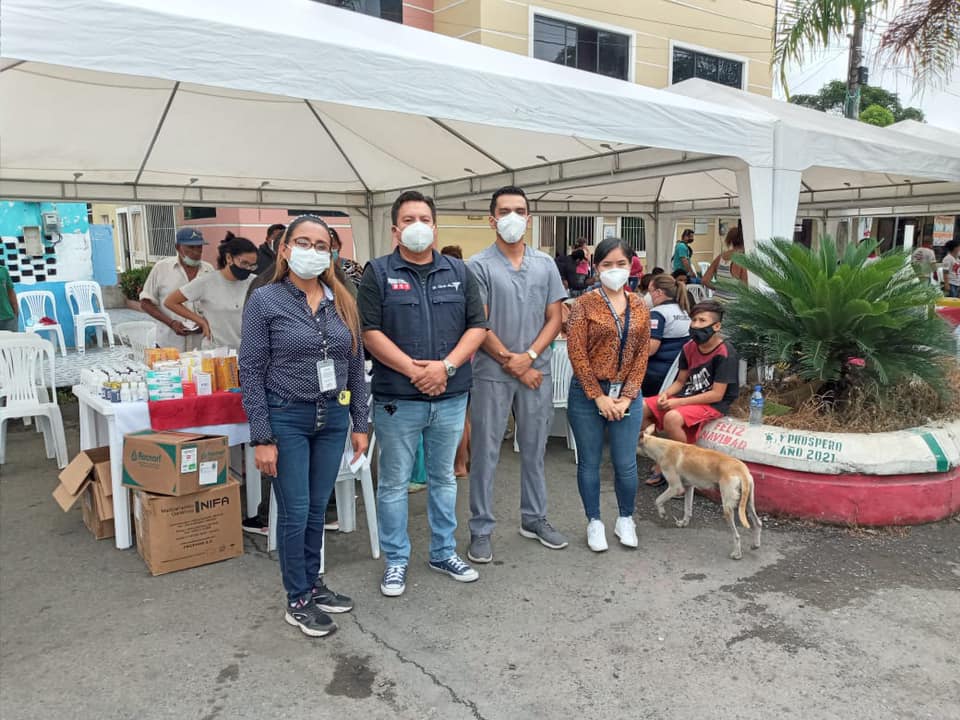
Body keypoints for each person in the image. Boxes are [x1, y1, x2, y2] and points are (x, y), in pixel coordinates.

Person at [239, 215, 368, 638]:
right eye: (304, 243)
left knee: (315, 509)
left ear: (331, 253)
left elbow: (354, 367)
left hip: (332, 419)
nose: (313, 251)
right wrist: (262, 436)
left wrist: (360, 422)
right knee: (294, 512)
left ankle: (313, 584)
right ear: (285, 249)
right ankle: (296, 599)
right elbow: (250, 370)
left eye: (321, 245)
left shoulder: (342, 300)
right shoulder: (265, 300)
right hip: (286, 417)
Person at [358, 190, 487, 597]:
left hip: (450, 395)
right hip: (398, 399)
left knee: (444, 478)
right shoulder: (377, 273)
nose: (418, 226)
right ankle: (396, 560)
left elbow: (477, 326)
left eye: (425, 219)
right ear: (395, 230)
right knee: (393, 483)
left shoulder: (459, 271)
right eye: (409, 220)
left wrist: (445, 368)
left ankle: (443, 552)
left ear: (435, 226)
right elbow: (369, 332)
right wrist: (415, 371)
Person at [466, 186, 568, 564]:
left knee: (534, 449)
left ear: (529, 218)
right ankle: (480, 528)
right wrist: (513, 362)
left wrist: (530, 357)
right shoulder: (478, 266)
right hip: (492, 372)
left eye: (520, 211)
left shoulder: (545, 264)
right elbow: (479, 323)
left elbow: (555, 317)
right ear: (492, 219)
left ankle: (534, 517)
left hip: (535, 370)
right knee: (486, 453)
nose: (513, 217)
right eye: (505, 211)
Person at [565, 238, 650, 552]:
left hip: (627, 393)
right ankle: (594, 521)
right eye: (607, 264)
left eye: (621, 264)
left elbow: (642, 354)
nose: (615, 270)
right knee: (589, 462)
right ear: (596, 267)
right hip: (588, 394)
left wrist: (627, 397)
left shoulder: (639, 305)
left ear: (631, 266)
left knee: (625, 464)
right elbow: (577, 353)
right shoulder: (584, 304)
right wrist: (598, 397)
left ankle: (625, 518)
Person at [641, 301, 740, 485]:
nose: (695, 325)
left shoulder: (725, 353)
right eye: (693, 320)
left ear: (716, 326)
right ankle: (663, 460)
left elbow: (717, 395)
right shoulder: (689, 347)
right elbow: (680, 381)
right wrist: (665, 395)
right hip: (687, 396)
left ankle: (683, 473)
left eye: (702, 321)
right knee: (641, 408)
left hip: (712, 403)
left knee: (672, 418)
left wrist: (677, 403)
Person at [165, 232, 258, 349]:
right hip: (216, 351)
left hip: (248, 351)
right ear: (229, 258)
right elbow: (170, 302)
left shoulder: (255, 282)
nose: (248, 268)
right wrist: (201, 321)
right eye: (244, 263)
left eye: (252, 265)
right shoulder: (207, 282)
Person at [138, 228, 215, 350]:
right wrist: (171, 323)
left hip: (200, 346)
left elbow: (214, 304)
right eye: (190, 247)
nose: (196, 252)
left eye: (199, 247)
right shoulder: (161, 268)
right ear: (178, 247)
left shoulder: (208, 270)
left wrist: (205, 321)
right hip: (169, 344)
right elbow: (145, 303)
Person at [440, 244, 471, 478]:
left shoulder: (457, 285)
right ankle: (463, 462)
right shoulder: (465, 283)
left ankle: (459, 463)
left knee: (458, 418)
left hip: (455, 360)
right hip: (464, 358)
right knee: (464, 417)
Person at [643, 275, 692, 399]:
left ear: (659, 292)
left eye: (650, 291)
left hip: (655, 375)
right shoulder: (683, 312)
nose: (648, 296)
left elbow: (650, 349)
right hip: (675, 373)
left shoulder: (657, 314)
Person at [702, 227, 748, 300]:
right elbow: (745, 290)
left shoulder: (720, 257)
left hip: (716, 301)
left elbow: (705, 280)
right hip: (733, 304)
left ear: (730, 240)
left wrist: (719, 288)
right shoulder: (742, 260)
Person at [0, 261, 19, 333]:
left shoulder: (3, 270)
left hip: (8, 318)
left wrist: (16, 313)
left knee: (14, 340)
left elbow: (11, 292)